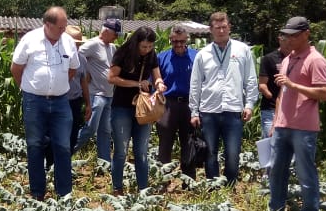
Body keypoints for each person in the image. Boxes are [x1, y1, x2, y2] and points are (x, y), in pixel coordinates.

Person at [11, 6, 79, 200]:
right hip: (34, 101)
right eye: (60, 27)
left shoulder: (68, 42)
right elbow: (16, 68)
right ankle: (37, 193)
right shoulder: (29, 40)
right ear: (48, 24)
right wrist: (27, 88)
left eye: (65, 26)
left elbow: (73, 69)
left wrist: (58, 86)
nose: (63, 30)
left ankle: (64, 193)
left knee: (63, 146)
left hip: (61, 102)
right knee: (35, 145)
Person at [268, 17, 326, 211]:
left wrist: (293, 85)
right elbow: (282, 93)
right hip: (282, 125)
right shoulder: (288, 59)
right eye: (287, 36)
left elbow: (324, 93)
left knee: (305, 172)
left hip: (304, 127)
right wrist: (276, 121)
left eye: (294, 36)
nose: (290, 39)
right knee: (276, 171)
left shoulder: (315, 60)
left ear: (306, 34)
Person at [189, 11, 258, 185]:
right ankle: (213, 185)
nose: (221, 31)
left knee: (233, 153)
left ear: (229, 27)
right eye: (217, 28)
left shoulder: (242, 50)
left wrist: (249, 104)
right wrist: (194, 112)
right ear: (211, 30)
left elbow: (250, 79)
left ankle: (230, 185)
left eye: (224, 27)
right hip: (208, 111)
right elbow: (195, 84)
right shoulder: (203, 54)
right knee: (210, 152)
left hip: (233, 110)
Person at [110, 26, 167, 193]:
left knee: (141, 151)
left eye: (150, 46)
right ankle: (117, 188)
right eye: (144, 46)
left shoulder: (151, 55)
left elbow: (157, 76)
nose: (146, 49)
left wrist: (159, 84)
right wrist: (137, 84)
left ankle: (143, 190)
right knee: (121, 150)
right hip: (122, 107)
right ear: (136, 43)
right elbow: (111, 78)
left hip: (144, 109)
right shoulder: (122, 53)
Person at [74, 19, 121, 162]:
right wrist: (86, 73)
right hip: (95, 94)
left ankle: (104, 163)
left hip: (109, 95)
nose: (116, 37)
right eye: (115, 34)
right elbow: (76, 57)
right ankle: (62, 155)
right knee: (90, 128)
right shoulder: (92, 44)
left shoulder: (112, 48)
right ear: (105, 31)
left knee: (105, 131)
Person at [156, 24, 197, 179]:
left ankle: (189, 180)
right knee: (165, 143)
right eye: (175, 41)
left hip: (189, 104)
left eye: (182, 41)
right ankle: (163, 179)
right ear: (170, 40)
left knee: (189, 142)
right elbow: (154, 80)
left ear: (187, 40)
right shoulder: (162, 57)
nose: (179, 44)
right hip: (168, 104)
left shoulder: (196, 56)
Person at [64, 25, 92, 153]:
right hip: (58, 101)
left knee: (73, 135)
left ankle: (65, 161)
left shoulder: (81, 59)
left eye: (78, 44)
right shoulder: (57, 57)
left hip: (75, 101)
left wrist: (88, 104)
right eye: (74, 44)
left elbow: (83, 81)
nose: (77, 47)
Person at [258, 35, 290, 141]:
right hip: (271, 108)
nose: (289, 43)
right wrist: (270, 95)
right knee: (270, 141)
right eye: (286, 40)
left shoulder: (296, 58)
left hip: (290, 108)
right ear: (280, 39)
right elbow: (262, 84)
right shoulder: (269, 58)